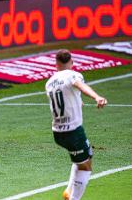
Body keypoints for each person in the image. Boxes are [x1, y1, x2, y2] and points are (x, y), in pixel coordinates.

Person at [45, 49, 107, 200]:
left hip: (58, 132)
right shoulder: (73, 75)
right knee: (85, 167)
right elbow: (79, 85)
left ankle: (68, 191)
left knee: (87, 155)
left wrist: (78, 102)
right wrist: (96, 96)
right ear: (71, 62)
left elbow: (65, 98)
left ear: (56, 65)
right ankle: (74, 198)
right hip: (72, 131)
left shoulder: (49, 83)